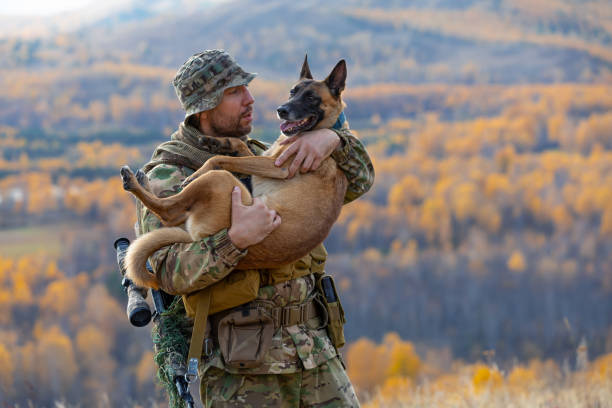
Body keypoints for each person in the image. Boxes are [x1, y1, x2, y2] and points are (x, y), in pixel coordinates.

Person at [136, 49, 374, 407]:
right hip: (244, 370)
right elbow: (170, 272)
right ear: (204, 106)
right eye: (235, 92)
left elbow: (359, 181)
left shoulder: (267, 152)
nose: (251, 99)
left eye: (247, 87)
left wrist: (337, 140)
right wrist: (233, 241)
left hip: (314, 353)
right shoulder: (171, 175)